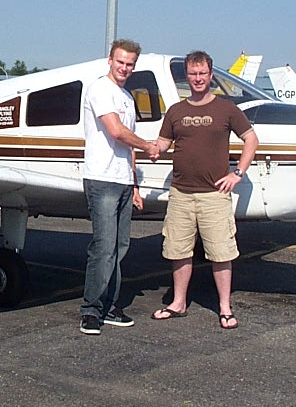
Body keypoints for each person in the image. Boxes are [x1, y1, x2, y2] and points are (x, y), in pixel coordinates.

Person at [151, 50, 258, 330]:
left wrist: (238, 173)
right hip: (181, 194)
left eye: (202, 73)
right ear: (187, 76)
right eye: (193, 74)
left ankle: (225, 308)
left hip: (214, 196)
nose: (197, 78)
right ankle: (178, 303)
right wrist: (152, 148)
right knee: (179, 250)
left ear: (210, 75)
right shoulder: (176, 111)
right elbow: (163, 142)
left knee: (221, 253)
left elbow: (251, 139)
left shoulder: (226, 109)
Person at [80, 39, 161, 335]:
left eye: (130, 64)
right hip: (101, 179)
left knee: (120, 246)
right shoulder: (100, 89)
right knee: (103, 247)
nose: (125, 68)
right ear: (110, 61)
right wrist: (150, 146)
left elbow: (129, 149)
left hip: (124, 180)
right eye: (121, 62)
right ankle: (90, 311)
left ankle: (109, 306)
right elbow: (116, 132)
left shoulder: (127, 97)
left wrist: (135, 184)